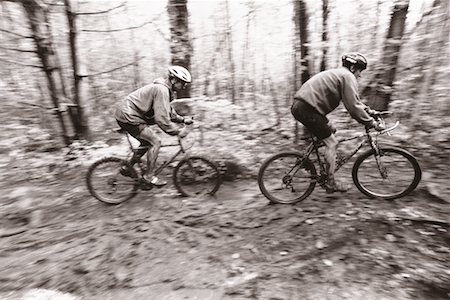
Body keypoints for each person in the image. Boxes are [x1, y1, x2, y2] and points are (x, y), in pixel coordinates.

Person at [291, 52, 385, 193]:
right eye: (360, 71)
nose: (360, 75)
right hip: (307, 109)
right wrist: (371, 123)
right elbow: (353, 107)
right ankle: (330, 182)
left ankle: (304, 162)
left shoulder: (340, 74)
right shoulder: (347, 77)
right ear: (353, 68)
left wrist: (369, 111)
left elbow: (355, 101)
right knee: (332, 143)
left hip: (303, 107)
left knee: (331, 130)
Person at [115, 65, 194, 187]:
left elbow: (168, 112)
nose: (184, 86)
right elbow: (162, 119)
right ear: (173, 80)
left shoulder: (163, 90)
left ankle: (127, 168)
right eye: (182, 83)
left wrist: (183, 120)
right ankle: (148, 177)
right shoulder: (161, 90)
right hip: (129, 115)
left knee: (146, 143)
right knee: (156, 141)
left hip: (126, 114)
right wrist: (177, 131)